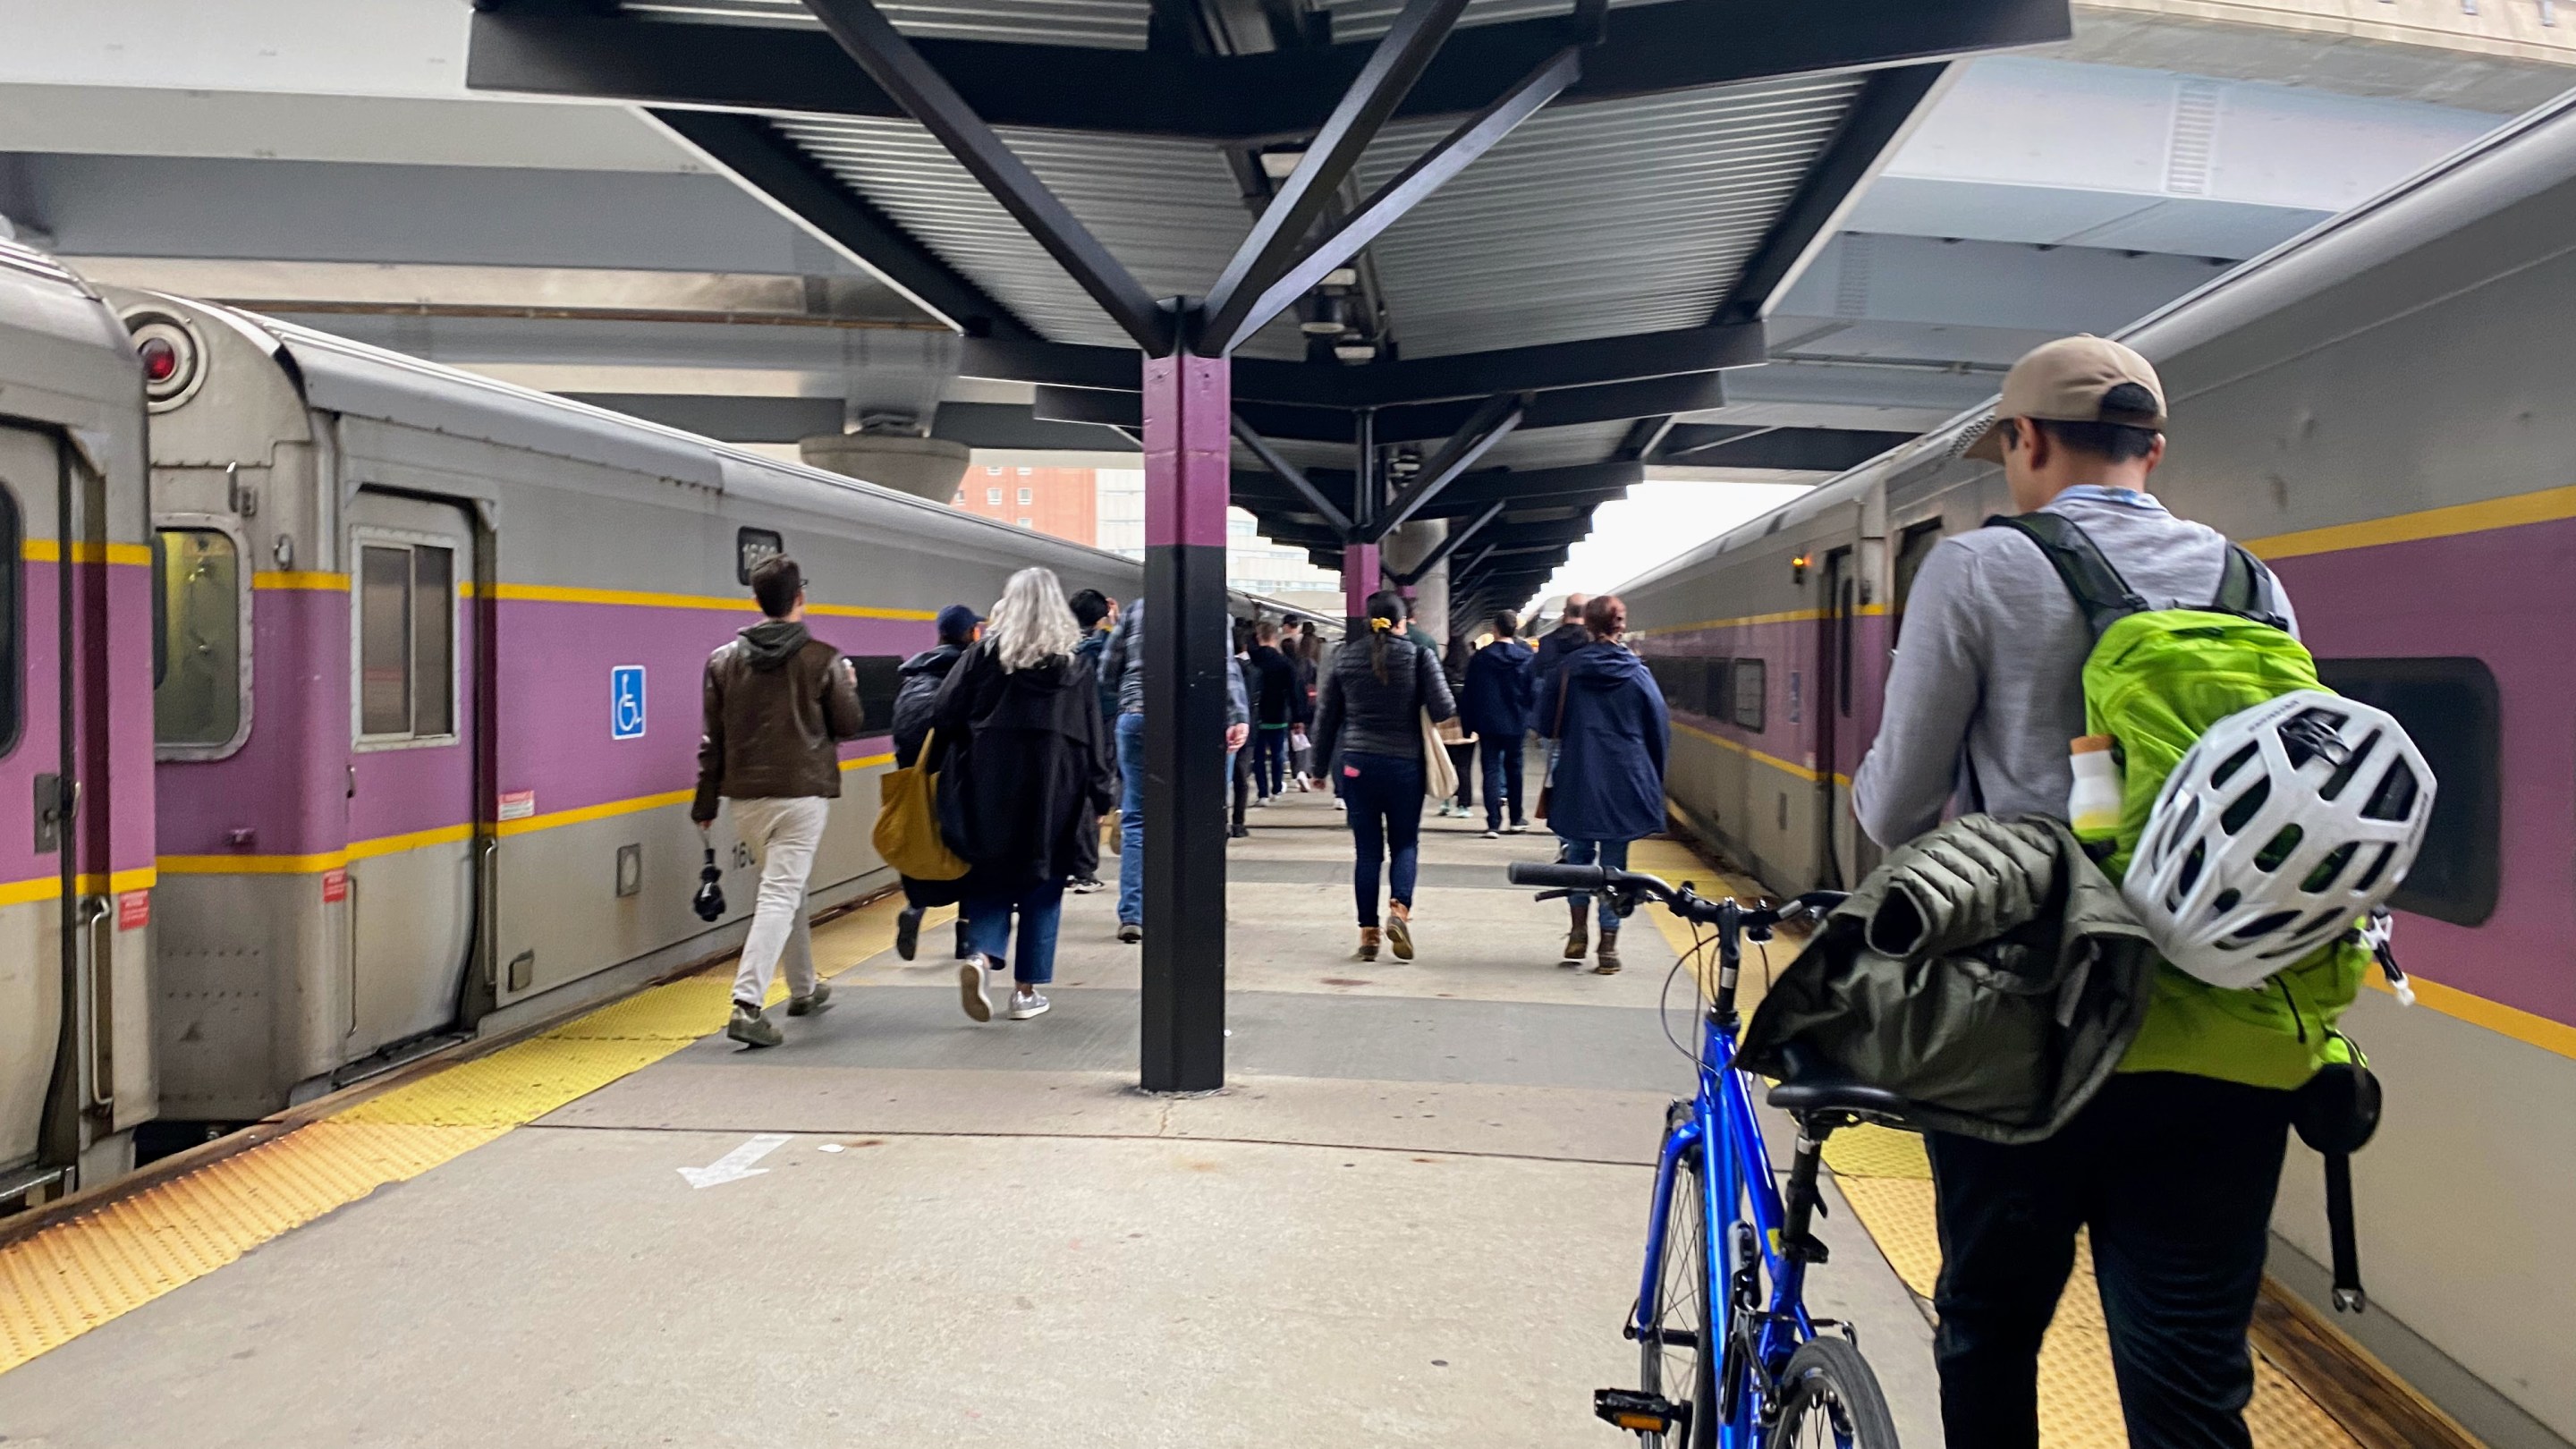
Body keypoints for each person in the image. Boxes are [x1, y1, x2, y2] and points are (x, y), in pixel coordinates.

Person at [1850, 335, 2332, 1449]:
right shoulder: (2254, 582)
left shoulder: (1976, 568)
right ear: (2151, 451)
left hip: (2025, 1026)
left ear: (2022, 442)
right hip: (2225, 1022)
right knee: (2192, 1371)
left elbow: (1892, 806)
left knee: (1991, 1328)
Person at [692, 556, 868, 1047]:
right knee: (779, 894)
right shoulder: (823, 658)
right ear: (800, 599)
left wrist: (704, 802)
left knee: (787, 888)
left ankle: (805, 988)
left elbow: (714, 740)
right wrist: (848, 686)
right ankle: (747, 1004)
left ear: (755, 601)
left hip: (745, 798)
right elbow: (848, 725)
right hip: (802, 794)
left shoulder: (722, 661)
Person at [927, 567, 1115, 1023]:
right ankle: (1025, 994)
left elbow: (943, 712)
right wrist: (1102, 796)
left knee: (991, 877)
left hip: (987, 786)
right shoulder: (1075, 667)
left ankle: (981, 956)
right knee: (1043, 886)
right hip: (1056, 790)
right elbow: (1093, 739)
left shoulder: (982, 656)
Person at [1311, 590, 1454, 963]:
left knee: (1367, 851)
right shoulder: (1419, 655)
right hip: (1404, 764)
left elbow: (1326, 717)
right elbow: (1443, 709)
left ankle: (1368, 935)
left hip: (1357, 764)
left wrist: (1316, 768)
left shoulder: (1345, 656)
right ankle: (1399, 910)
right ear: (1402, 621)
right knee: (1405, 843)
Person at [1101, 597, 1249, 943]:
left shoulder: (1137, 609)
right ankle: (1203, 904)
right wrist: (1238, 716)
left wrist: (1127, 695)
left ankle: (1134, 915)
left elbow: (1106, 669)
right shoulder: (1214, 613)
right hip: (1199, 719)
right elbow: (1226, 669)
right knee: (1203, 816)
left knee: (1138, 818)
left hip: (1139, 715)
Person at [1543, 595, 1666, 974]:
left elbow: (1546, 723)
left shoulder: (1566, 670)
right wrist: (1653, 777)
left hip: (1579, 774)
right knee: (1615, 866)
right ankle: (1608, 950)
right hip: (1624, 778)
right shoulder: (1638, 673)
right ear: (1620, 626)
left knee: (1578, 857)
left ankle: (1578, 931)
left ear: (1587, 625)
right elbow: (1659, 728)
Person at [888, 603, 983, 961]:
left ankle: (914, 910)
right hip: (959, 782)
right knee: (969, 856)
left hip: (918, 780)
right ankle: (965, 935)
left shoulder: (913, 678)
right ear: (972, 634)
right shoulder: (970, 674)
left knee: (923, 851)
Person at [1461, 609, 1536, 837]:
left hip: (1488, 724)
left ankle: (1493, 822)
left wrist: (1468, 724)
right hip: (1516, 723)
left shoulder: (1480, 659)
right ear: (1515, 630)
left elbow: (1469, 694)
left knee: (1491, 770)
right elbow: (1533, 692)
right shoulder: (1527, 659)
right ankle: (1516, 819)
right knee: (1515, 770)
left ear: (1494, 629)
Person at [1065, 589, 1115, 894]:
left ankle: (1070, 866)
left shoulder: (1063, 646)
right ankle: (1084, 870)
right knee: (1092, 795)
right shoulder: (1107, 644)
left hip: (1067, 727)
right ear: (1101, 617)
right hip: (1102, 725)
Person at [1245, 620, 1301, 805]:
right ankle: (1277, 788)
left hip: (1255, 713)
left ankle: (1262, 793)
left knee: (1258, 755)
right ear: (1275, 639)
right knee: (1278, 753)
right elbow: (1294, 692)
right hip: (1278, 713)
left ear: (1258, 637)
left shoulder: (1251, 661)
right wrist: (1298, 717)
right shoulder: (1285, 663)